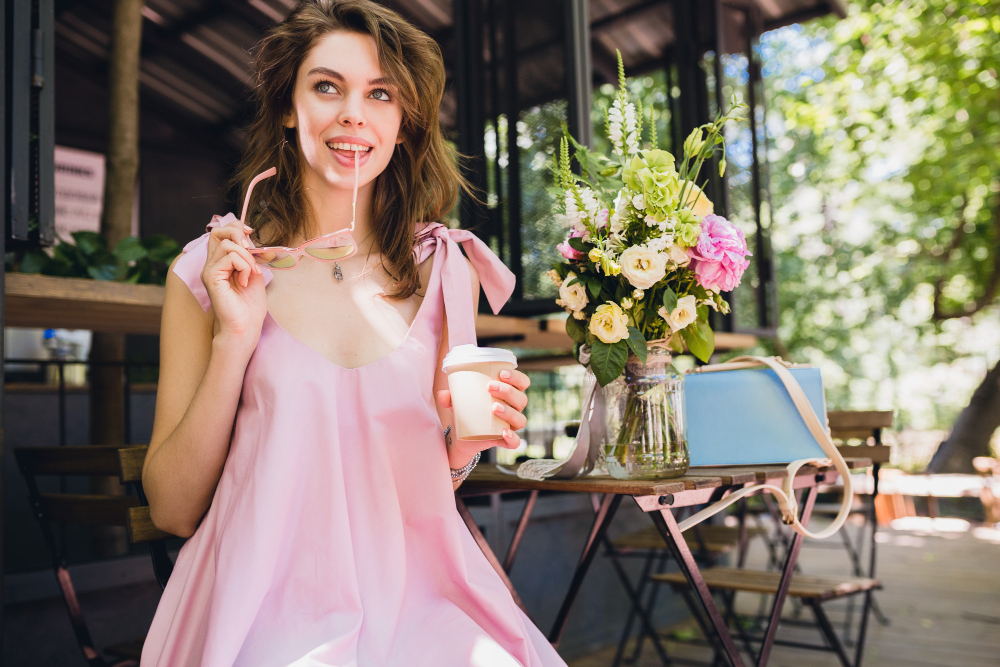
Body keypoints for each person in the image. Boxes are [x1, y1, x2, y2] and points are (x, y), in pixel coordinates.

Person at [140, 1, 566, 665]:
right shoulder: (208, 271)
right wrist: (234, 340)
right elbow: (171, 508)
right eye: (326, 86)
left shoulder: (446, 267)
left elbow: (431, 481)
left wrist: (462, 441)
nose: (352, 114)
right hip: (261, 603)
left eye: (381, 94)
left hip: (420, 598)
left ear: (403, 122)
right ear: (288, 106)